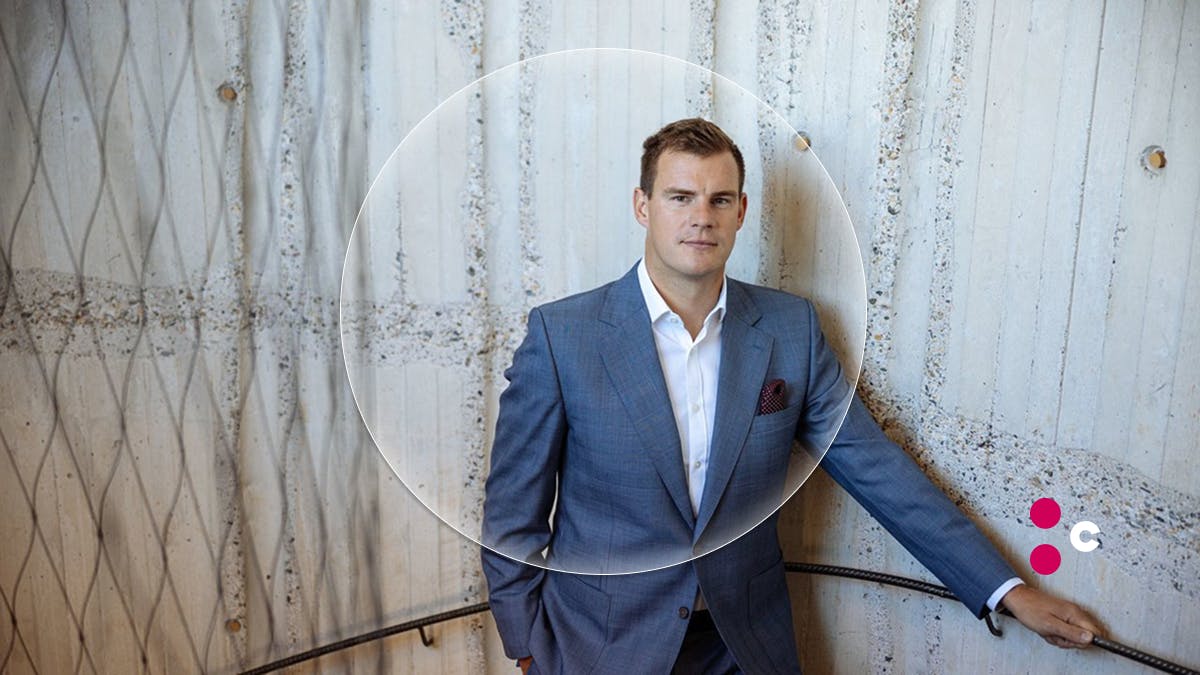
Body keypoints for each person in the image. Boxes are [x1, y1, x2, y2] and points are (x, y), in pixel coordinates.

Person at [480, 118, 1101, 674]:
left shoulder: (789, 330)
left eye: (720, 199)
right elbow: (512, 516)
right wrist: (527, 646)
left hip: (743, 648)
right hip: (597, 647)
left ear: (742, 211)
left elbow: (878, 471)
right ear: (643, 206)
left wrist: (1007, 590)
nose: (702, 217)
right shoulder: (562, 337)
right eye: (680, 197)